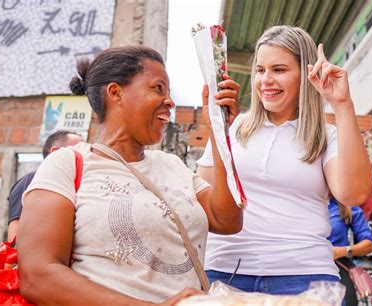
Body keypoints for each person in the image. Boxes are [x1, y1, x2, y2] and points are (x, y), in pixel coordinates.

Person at [17, 46, 242, 305]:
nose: (170, 101)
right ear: (115, 93)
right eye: (157, 88)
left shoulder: (172, 165)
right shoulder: (68, 165)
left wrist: (219, 132)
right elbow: (38, 276)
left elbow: (227, 220)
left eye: (169, 93)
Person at [196, 25, 372, 295]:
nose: (266, 80)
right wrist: (220, 135)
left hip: (303, 277)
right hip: (224, 271)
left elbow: (353, 193)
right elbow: (205, 199)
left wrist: (342, 104)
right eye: (260, 70)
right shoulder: (232, 124)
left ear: (306, 74)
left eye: (279, 70)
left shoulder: (326, 135)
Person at [7, 130, 83, 241]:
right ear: (56, 153)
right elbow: (14, 236)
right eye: (79, 149)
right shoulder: (31, 180)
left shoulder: (73, 184)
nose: (86, 154)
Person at [328, 198, 372, 305]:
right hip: (305, 268)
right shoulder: (302, 205)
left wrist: (343, 251)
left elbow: (369, 245)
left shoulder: (345, 206)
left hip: (339, 267)